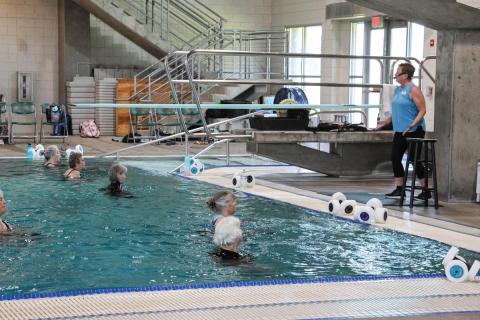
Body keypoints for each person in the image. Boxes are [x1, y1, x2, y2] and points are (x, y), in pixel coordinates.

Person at [375, 63, 428, 200]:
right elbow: (397, 111)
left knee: (413, 159)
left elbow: (422, 110)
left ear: (405, 75)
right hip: (400, 130)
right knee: (395, 157)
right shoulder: (398, 90)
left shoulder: (413, 90)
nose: (395, 76)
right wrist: (384, 123)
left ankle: (425, 189)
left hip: (415, 130)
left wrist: (412, 125)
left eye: (397, 74)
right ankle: (400, 188)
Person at [207, 191, 252, 261]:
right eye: (233, 201)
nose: (235, 203)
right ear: (226, 204)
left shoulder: (220, 218)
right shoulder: (220, 220)